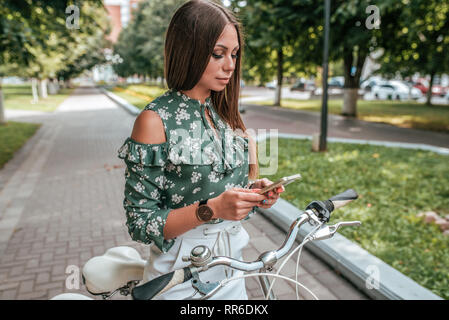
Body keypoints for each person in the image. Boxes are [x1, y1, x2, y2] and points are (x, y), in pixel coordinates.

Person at [118, 0, 284, 300]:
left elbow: (216, 186)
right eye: (218, 54)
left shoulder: (224, 114)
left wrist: (252, 193)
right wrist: (212, 209)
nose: (230, 65)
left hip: (232, 263)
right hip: (179, 273)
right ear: (188, 51)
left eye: (234, 54)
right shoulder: (155, 120)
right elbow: (140, 222)